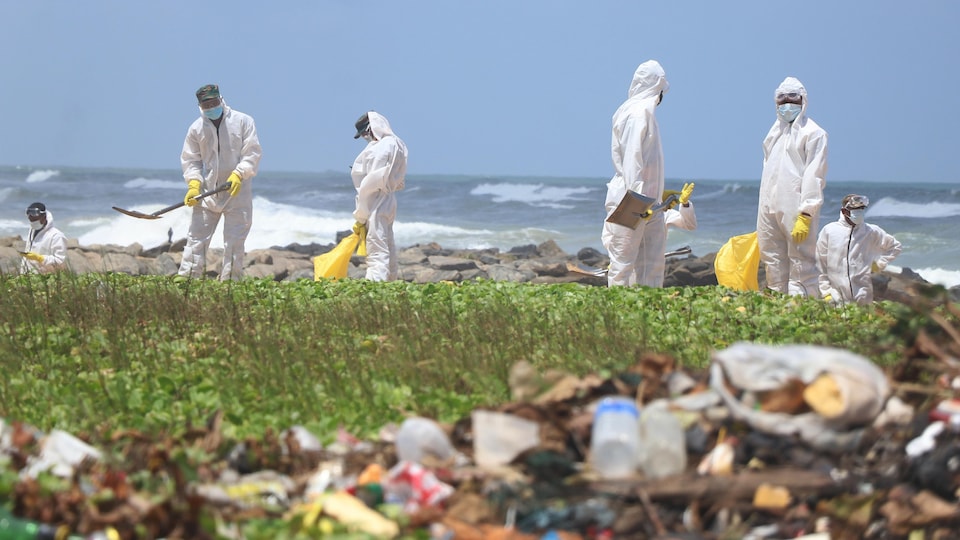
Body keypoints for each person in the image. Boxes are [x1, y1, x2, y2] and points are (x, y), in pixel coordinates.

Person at [178, 84, 262, 281]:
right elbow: (191, 160)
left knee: (234, 240)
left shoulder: (243, 121)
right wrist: (193, 184)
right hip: (208, 190)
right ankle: (188, 276)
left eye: (215, 102)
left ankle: (230, 281)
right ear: (200, 106)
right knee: (197, 236)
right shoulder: (196, 128)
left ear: (221, 100)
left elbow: (252, 152)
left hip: (237, 191)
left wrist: (239, 174)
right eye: (207, 105)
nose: (212, 107)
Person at [756, 76, 828, 297]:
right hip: (768, 206)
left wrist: (807, 212)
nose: (787, 103)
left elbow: (814, 174)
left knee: (801, 261)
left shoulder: (814, 133)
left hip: (796, 208)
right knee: (772, 257)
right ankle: (778, 306)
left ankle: (803, 308)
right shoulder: (773, 134)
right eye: (782, 98)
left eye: (793, 98)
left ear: (803, 100)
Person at [601, 59, 671, 287]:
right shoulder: (637, 114)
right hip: (633, 200)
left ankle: (647, 314)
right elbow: (633, 162)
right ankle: (620, 316)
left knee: (651, 265)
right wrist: (638, 203)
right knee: (623, 264)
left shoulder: (642, 112)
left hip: (649, 203)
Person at [351, 111, 408, 281]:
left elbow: (371, 184)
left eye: (364, 134)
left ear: (371, 128)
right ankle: (391, 282)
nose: (365, 138)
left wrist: (360, 216)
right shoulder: (398, 144)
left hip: (377, 201)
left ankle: (376, 285)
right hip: (389, 199)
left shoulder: (382, 147)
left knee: (376, 249)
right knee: (388, 245)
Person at [817, 194, 902, 305]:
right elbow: (820, 263)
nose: (859, 212)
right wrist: (826, 292)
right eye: (855, 209)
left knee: (862, 321)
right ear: (844, 211)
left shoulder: (871, 231)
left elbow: (895, 246)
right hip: (835, 294)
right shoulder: (829, 230)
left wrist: (879, 263)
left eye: (861, 209)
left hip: (862, 294)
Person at [19, 202, 67, 274]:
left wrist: (40, 258)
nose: (32, 223)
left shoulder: (56, 236)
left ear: (44, 217)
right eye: (31, 221)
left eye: (35, 221)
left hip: (44, 277)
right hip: (27, 276)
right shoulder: (32, 230)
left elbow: (60, 261)